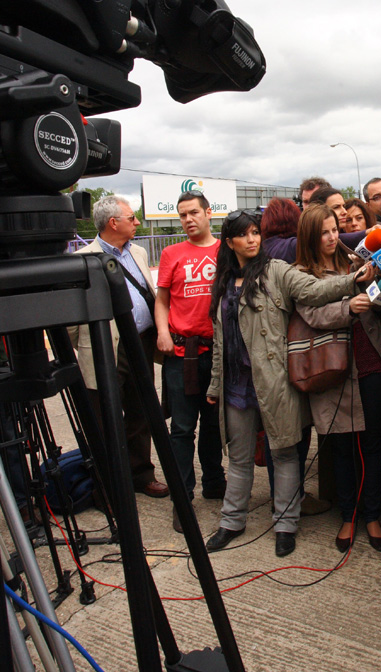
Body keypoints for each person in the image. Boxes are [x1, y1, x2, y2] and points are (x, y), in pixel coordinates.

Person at [204, 210, 376, 557]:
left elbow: (314, 290)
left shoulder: (275, 271)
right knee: (238, 458)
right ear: (229, 242)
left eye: (256, 233)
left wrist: (351, 280)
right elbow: (221, 340)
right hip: (236, 387)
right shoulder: (223, 282)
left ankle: (285, 524)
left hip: (274, 382)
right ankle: (231, 521)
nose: (253, 240)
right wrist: (214, 385)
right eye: (245, 235)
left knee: (283, 454)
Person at [292, 204, 381, 552]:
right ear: (310, 237)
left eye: (334, 230)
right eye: (324, 232)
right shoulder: (301, 273)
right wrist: (347, 307)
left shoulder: (355, 261)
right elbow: (312, 312)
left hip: (370, 362)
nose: (332, 237)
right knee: (342, 448)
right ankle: (348, 515)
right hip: (332, 370)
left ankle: (371, 513)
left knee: (371, 445)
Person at [69, 196, 167, 497]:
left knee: (140, 412)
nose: (136, 222)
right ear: (114, 223)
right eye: (131, 217)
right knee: (103, 421)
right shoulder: (83, 259)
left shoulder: (137, 251)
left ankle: (141, 474)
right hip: (103, 349)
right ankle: (108, 488)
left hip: (141, 343)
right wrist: (86, 346)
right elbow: (71, 318)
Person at [155, 192, 226, 531]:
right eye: (182, 215)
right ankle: (182, 498)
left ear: (208, 213)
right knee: (182, 429)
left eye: (194, 212)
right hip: (181, 353)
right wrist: (162, 332)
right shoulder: (171, 253)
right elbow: (162, 299)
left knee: (214, 424)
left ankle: (215, 480)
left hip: (216, 352)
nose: (188, 220)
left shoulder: (225, 250)